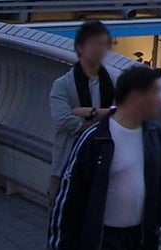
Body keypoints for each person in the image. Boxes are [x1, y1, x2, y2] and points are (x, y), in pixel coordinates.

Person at [50, 65, 161, 250]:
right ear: (135, 97)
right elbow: (69, 200)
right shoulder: (94, 139)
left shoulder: (156, 136)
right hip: (102, 239)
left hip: (139, 238)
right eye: (154, 93)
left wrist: (156, 223)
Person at [49, 21, 116, 201]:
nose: (100, 49)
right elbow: (63, 121)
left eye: (103, 44)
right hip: (66, 162)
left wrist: (86, 112)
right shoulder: (62, 84)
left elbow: (121, 114)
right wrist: (103, 118)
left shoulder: (112, 83)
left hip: (101, 162)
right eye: (94, 44)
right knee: (63, 217)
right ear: (80, 47)